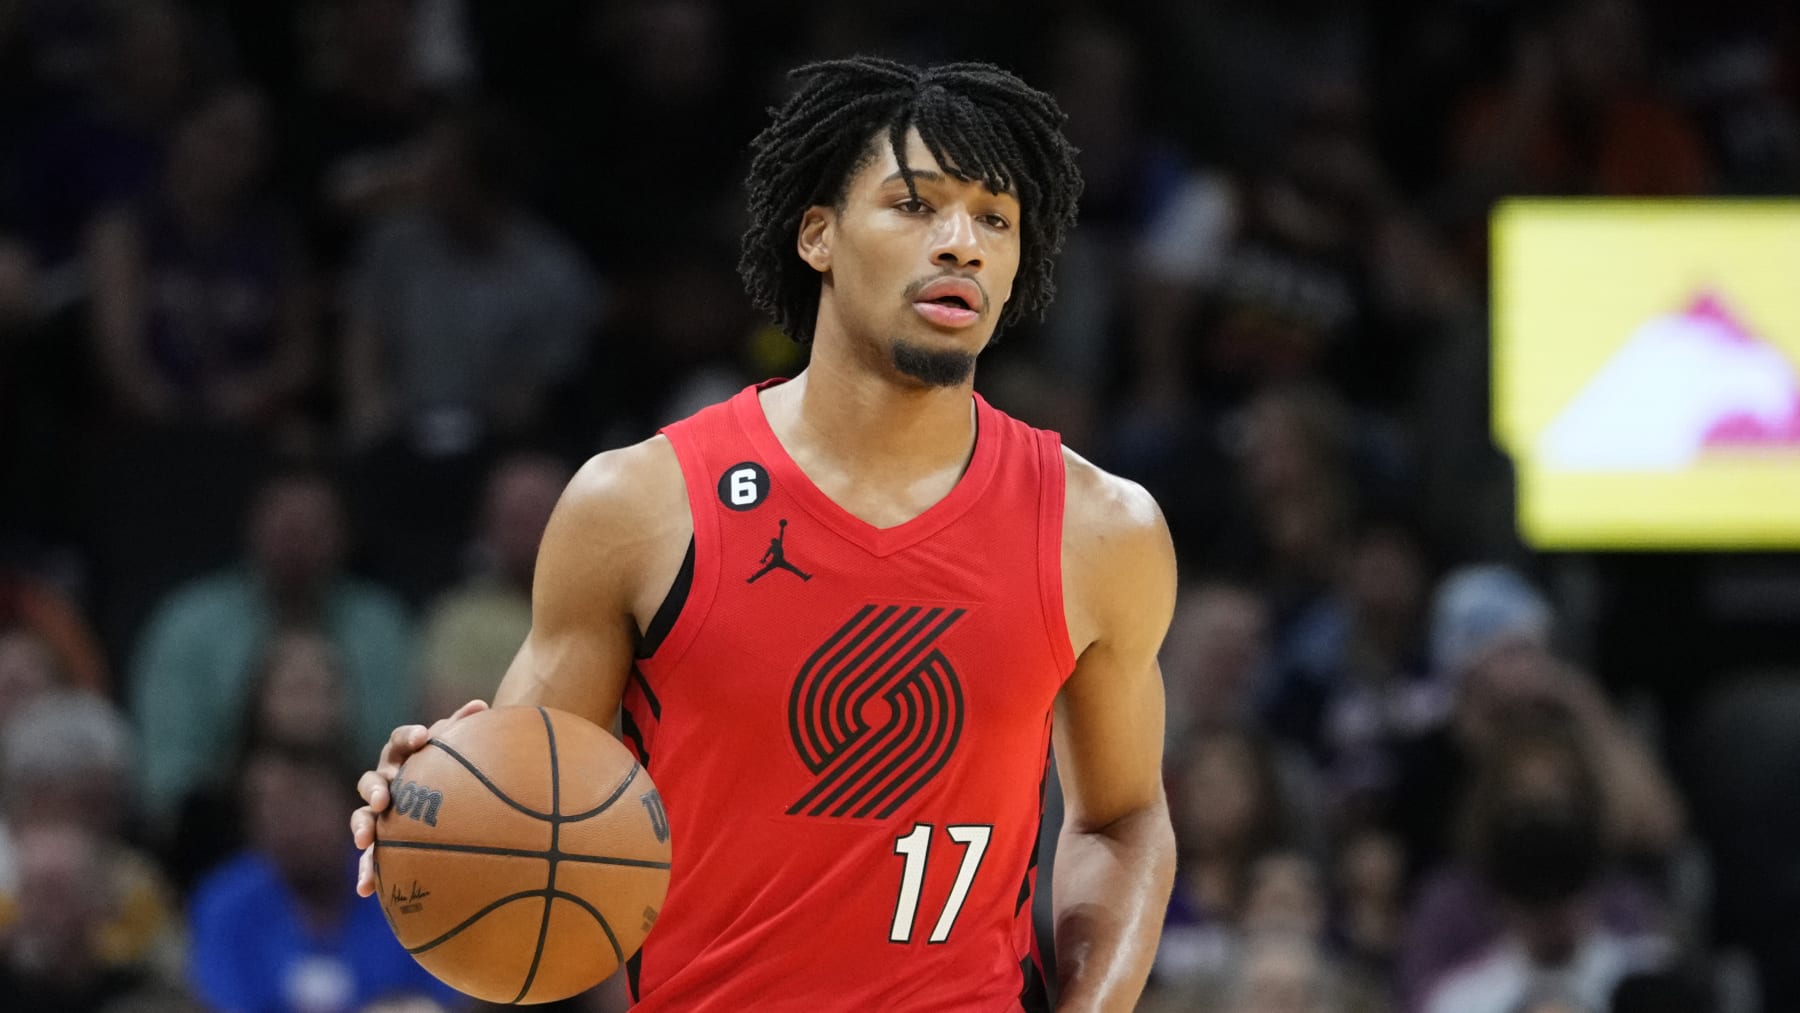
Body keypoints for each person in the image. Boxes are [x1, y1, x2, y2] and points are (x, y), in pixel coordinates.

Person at [351, 56, 1178, 1011]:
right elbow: (525, 819)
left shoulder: (1099, 527)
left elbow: (1122, 819)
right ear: (817, 234)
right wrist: (435, 809)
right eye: (915, 205)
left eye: (995, 219)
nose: (961, 243)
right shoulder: (640, 504)